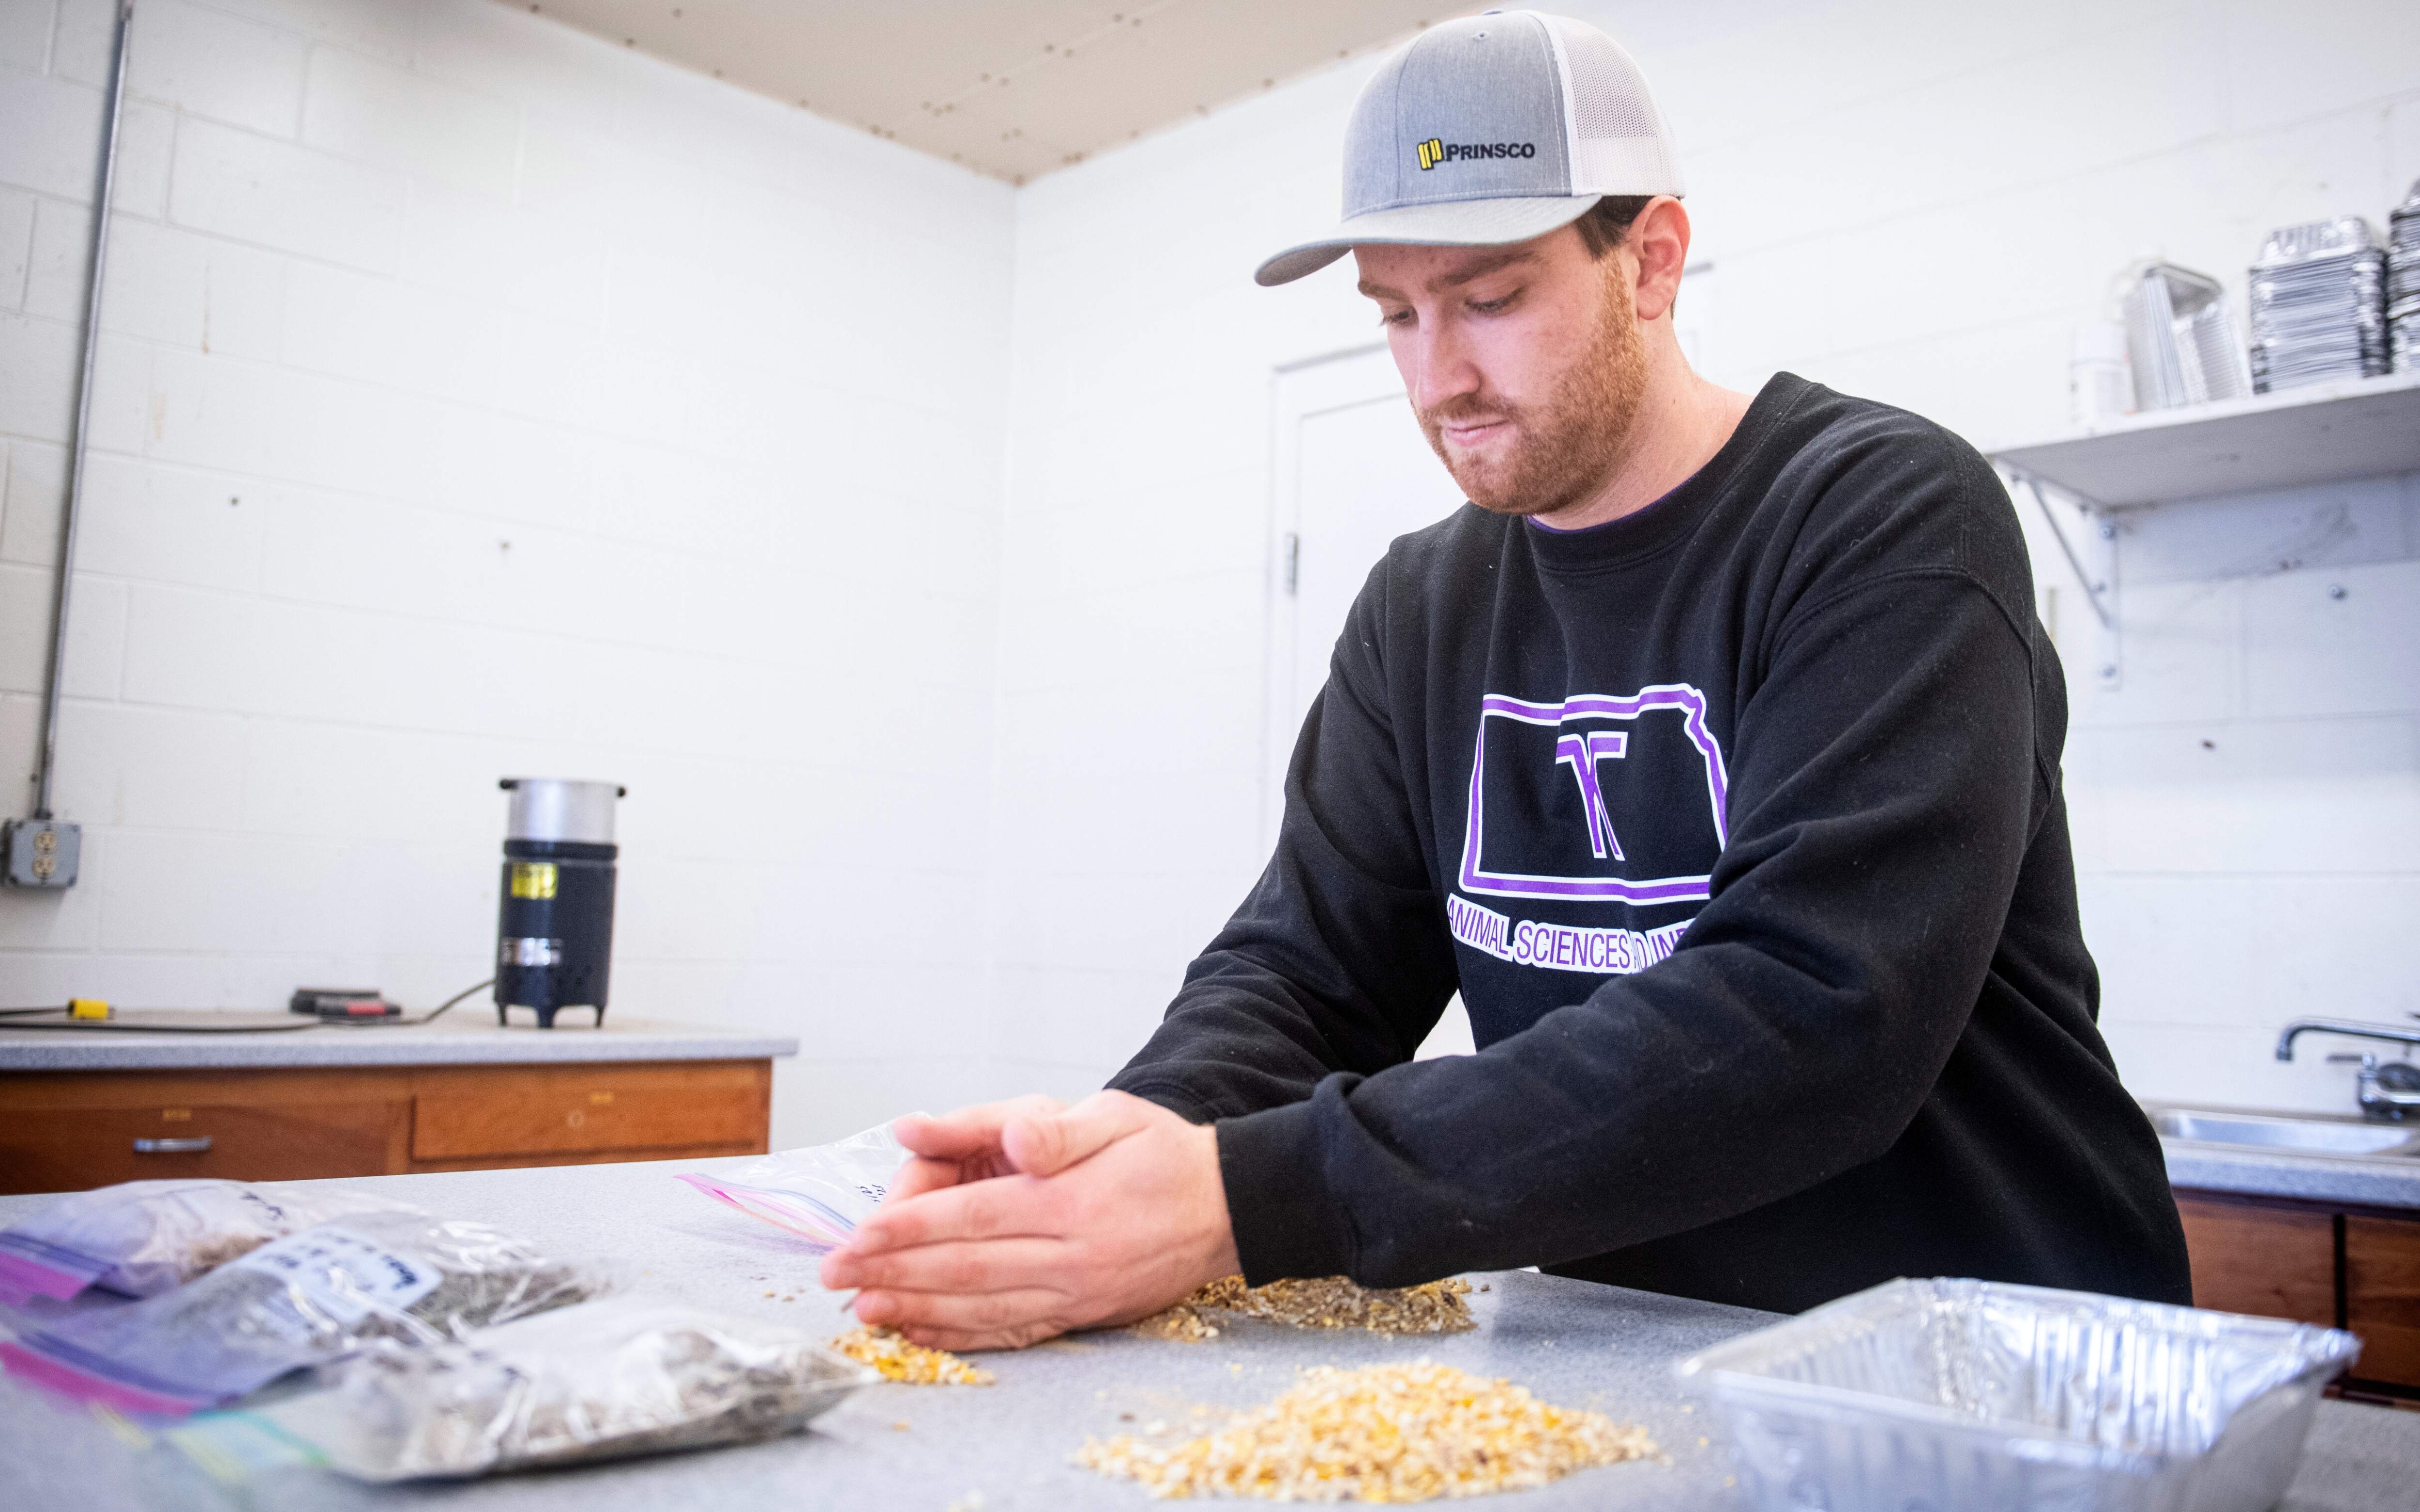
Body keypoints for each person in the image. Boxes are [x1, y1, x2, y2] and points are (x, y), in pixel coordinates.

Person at [819, 11, 2191, 1352]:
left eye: (1490, 300)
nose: (1440, 379)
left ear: (1650, 261)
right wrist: (1125, 1147)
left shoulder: (1882, 516)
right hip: (1640, 1350)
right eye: (1397, 313)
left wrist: (1238, 1200)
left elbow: (1818, 1013)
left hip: (1989, 1354)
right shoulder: (1425, 605)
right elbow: (1306, 973)